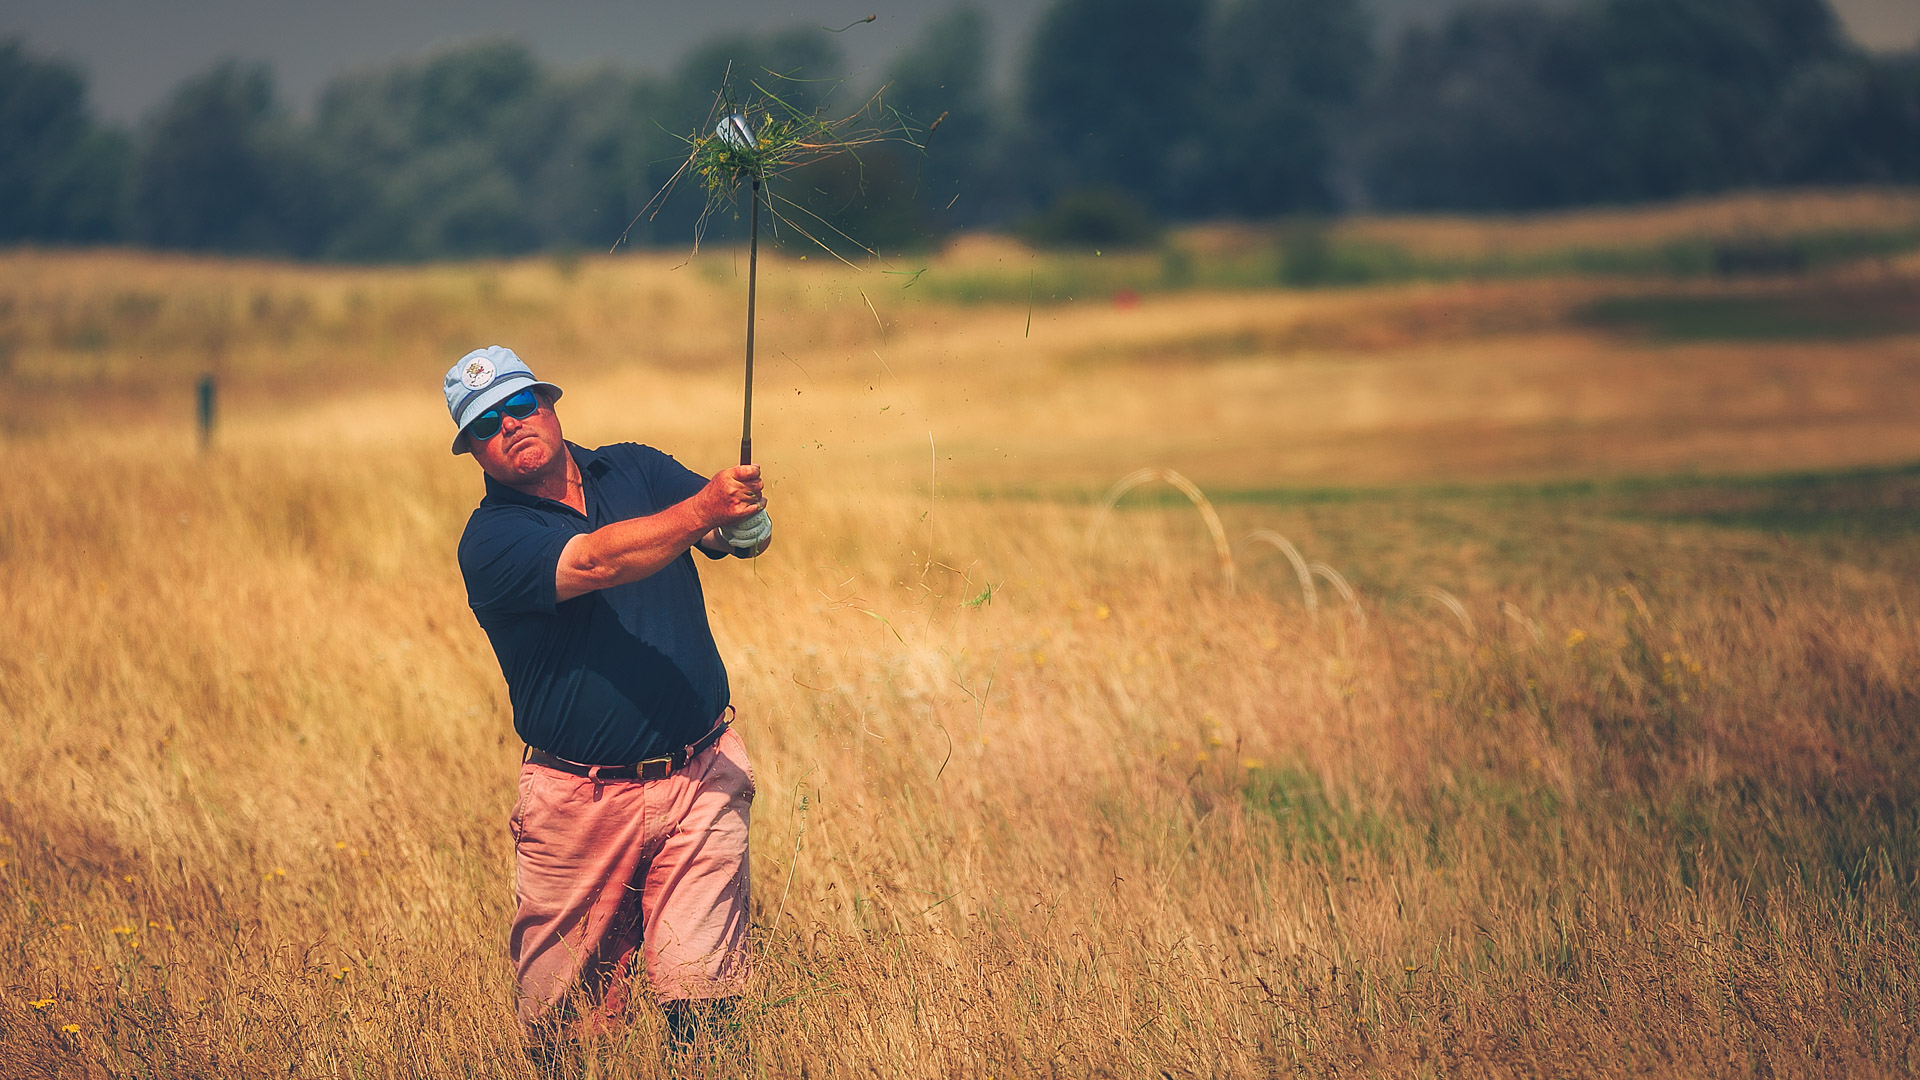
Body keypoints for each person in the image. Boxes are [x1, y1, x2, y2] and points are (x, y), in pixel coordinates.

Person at [442, 345, 771, 1058]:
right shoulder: (492, 539)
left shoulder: (635, 468)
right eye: (486, 423)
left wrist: (742, 521)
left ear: (550, 403)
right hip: (577, 802)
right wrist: (703, 509)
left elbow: (719, 532)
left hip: (700, 775)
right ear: (472, 450)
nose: (510, 424)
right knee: (572, 1035)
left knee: (705, 1004)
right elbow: (596, 559)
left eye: (521, 404)